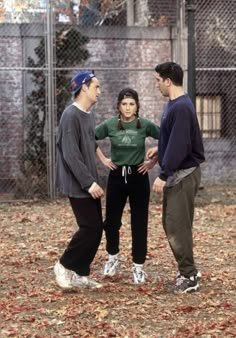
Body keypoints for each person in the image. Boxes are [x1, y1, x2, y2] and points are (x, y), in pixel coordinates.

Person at [146, 62, 205, 293]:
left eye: (158, 80)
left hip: (182, 175)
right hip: (179, 173)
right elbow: (173, 139)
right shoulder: (175, 104)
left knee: (176, 225)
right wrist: (159, 151)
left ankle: (189, 276)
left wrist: (163, 174)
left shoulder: (180, 107)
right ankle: (188, 269)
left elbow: (181, 145)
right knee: (174, 224)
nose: (157, 84)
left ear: (168, 81)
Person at [95, 88, 160, 284]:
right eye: (124, 104)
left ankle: (138, 267)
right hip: (116, 176)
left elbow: (167, 138)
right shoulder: (110, 125)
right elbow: (89, 138)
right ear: (118, 106)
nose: (128, 107)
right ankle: (113, 258)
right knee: (112, 222)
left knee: (139, 223)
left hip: (138, 177)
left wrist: (152, 162)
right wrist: (103, 160)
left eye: (131, 104)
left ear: (137, 106)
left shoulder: (145, 125)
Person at [54, 70, 104, 290]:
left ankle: (82, 275)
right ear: (84, 87)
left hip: (89, 180)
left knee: (96, 229)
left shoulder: (88, 115)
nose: (99, 92)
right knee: (89, 227)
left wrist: (102, 159)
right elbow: (70, 154)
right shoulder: (70, 115)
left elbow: (90, 144)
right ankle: (64, 265)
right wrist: (88, 182)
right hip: (79, 184)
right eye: (96, 87)